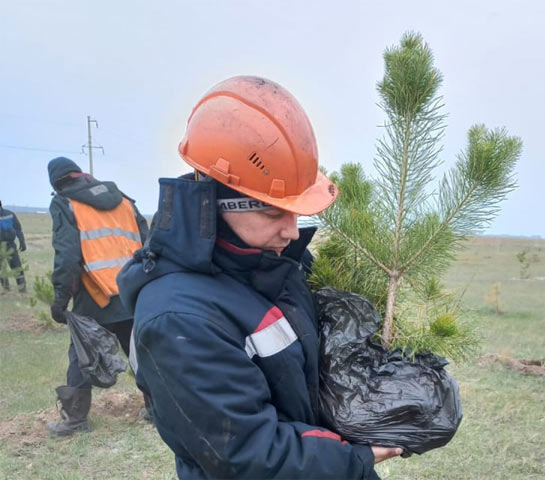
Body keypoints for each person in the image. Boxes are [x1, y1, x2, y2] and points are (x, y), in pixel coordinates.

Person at [117, 76, 401, 479]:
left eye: (297, 212)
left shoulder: (271, 266)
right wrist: (359, 456)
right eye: (273, 213)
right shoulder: (177, 319)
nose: (291, 231)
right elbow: (249, 455)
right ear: (216, 202)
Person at [46, 157, 150, 436]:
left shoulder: (65, 203)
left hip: (96, 295)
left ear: (56, 183)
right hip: (132, 290)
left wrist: (59, 301)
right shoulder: (124, 200)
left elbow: (67, 257)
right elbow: (147, 241)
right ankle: (157, 409)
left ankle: (76, 420)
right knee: (142, 353)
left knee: (82, 354)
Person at [0, 200, 27, 293]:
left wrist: (22, 241)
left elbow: (18, 228)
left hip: (10, 245)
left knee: (16, 267)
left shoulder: (10, 214)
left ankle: (22, 289)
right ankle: (6, 289)